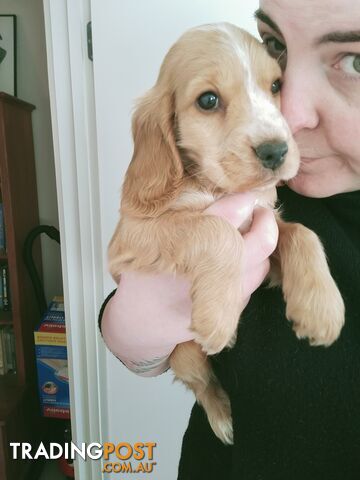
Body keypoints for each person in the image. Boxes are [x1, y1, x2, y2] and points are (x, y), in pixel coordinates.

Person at [98, 0, 360, 478]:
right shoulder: (255, 180)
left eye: (354, 61)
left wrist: (299, 252)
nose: (284, 121)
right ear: (164, 126)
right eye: (210, 101)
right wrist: (129, 331)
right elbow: (128, 251)